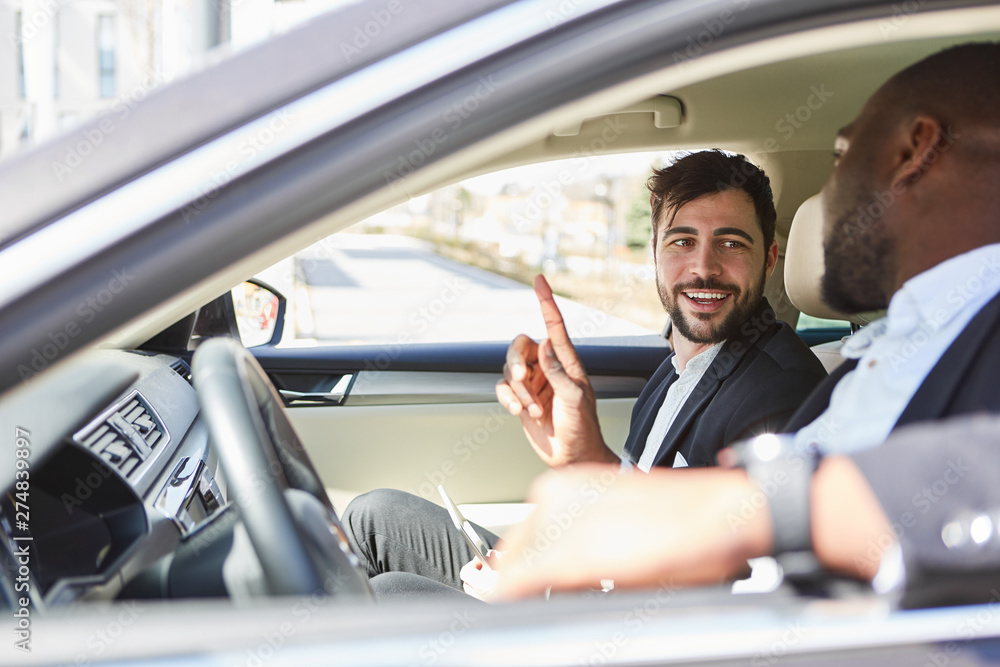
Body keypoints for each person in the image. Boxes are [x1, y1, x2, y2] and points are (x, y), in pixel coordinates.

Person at [490, 42, 1000, 603]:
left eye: (839, 154)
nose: (825, 197)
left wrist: (751, 509)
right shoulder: (893, 348)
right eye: (681, 242)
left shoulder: (803, 380)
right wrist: (594, 470)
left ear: (913, 150)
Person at [343, 151, 828, 599]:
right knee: (374, 516)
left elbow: (719, 589)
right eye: (682, 241)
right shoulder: (677, 368)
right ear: (654, 254)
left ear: (768, 258)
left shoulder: (784, 392)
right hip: (593, 584)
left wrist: (534, 597)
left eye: (731, 242)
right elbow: (624, 513)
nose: (704, 267)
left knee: (391, 594)